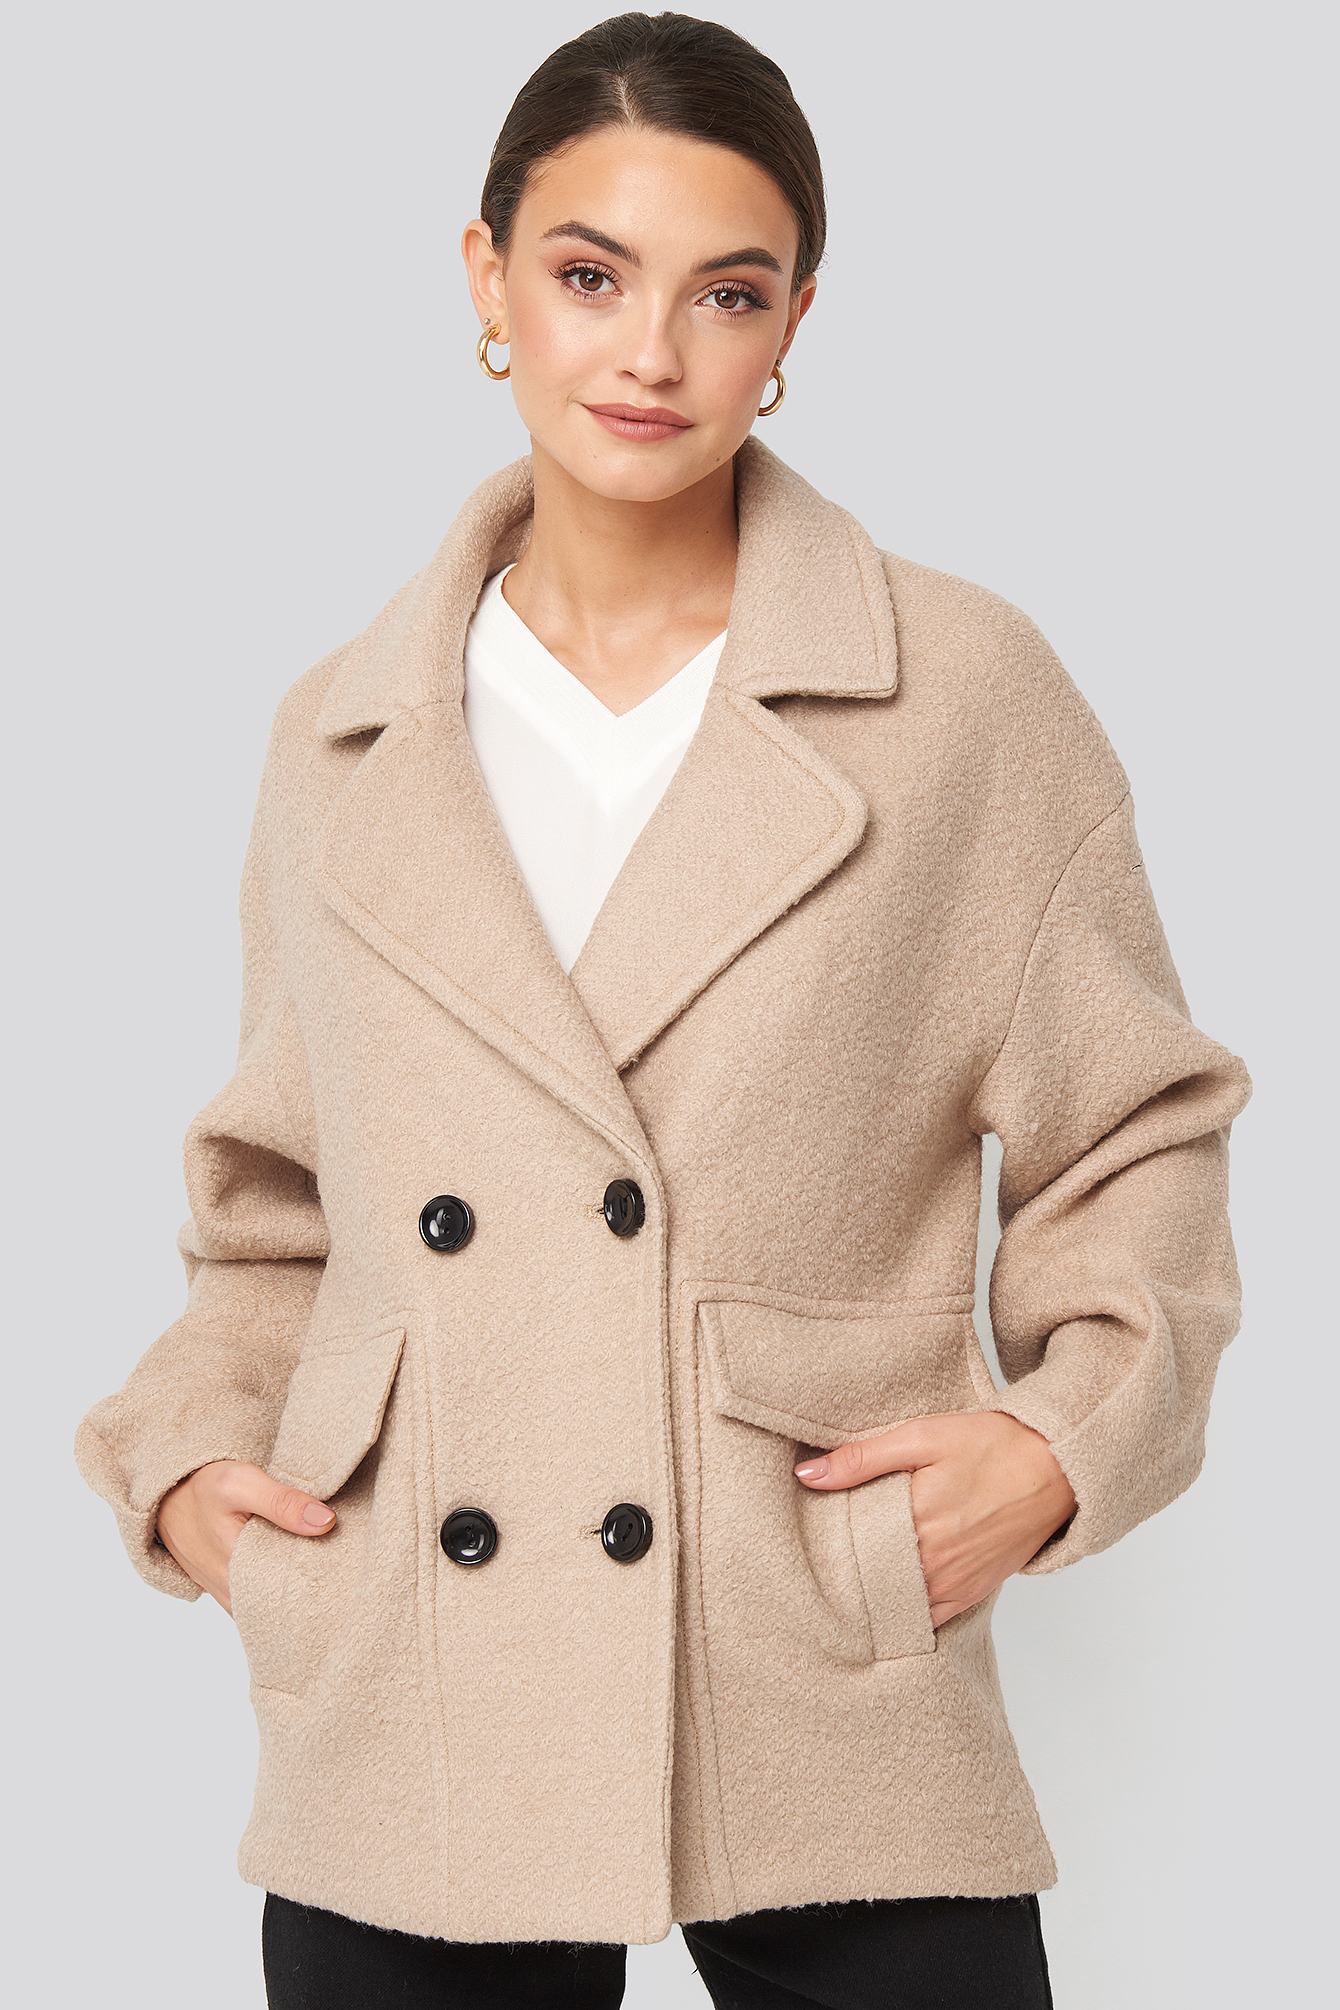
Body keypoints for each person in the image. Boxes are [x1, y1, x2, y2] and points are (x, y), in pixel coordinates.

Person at [75, 13, 1251, 2008]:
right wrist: (190, 1467)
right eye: (588, 273)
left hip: (809, 1629)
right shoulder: (340, 739)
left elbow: (1133, 1131)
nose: (649, 352)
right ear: (486, 281)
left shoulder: (960, 696)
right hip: (414, 1658)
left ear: (793, 321)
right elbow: (276, 1210)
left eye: (725, 292)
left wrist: (1062, 1443)